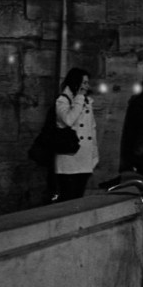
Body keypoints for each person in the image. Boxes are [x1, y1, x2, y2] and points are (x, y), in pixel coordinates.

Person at [54, 67, 100, 201]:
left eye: (87, 83)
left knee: (78, 198)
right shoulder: (62, 101)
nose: (87, 86)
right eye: (84, 82)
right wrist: (79, 98)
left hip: (84, 158)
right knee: (68, 199)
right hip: (69, 160)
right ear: (76, 82)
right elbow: (68, 120)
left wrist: (94, 154)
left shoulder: (87, 102)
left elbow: (92, 129)